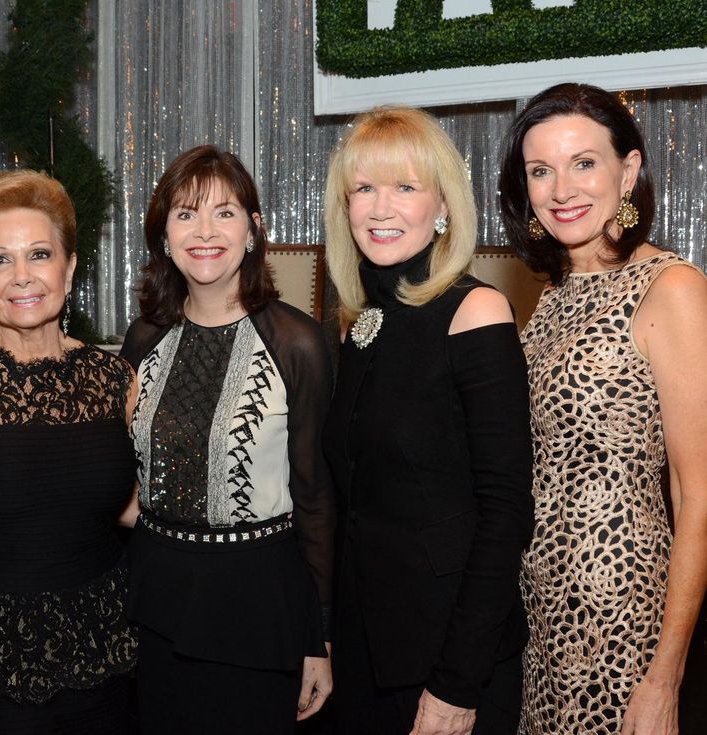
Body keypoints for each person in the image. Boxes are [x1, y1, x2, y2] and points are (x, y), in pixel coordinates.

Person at [498, 82, 707, 735]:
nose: (562, 188)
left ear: (630, 169)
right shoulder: (550, 294)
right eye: (541, 169)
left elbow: (698, 491)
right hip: (539, 616)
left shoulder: (671, 286)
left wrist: (664, 675)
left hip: (624, 619)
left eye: (584, 162)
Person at [322, 106, 534, 735]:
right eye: (364, 189)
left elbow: (504, 515)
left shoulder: (477, 312)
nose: (380, 208)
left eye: (405, 187)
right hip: (364, 649)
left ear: (442, 205)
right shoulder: (359, 322)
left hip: (447, 657)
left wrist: (456, 683)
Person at [120, 144, 334, 733]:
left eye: (225, 212)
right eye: (186, 213)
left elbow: (316, 495)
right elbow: (126, 476)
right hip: (157, 596)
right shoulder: (143, 340)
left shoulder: (298, 343)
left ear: (253, 229)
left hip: (257, 603)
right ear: (164, 233)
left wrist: (320, 636)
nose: (205, 231)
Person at [0, 169, 139, 734]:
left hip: (105, 652)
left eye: (39, 254)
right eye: (0, 260)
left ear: (70, 268)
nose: (21, 277)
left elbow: (130, 506)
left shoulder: (112, 376)